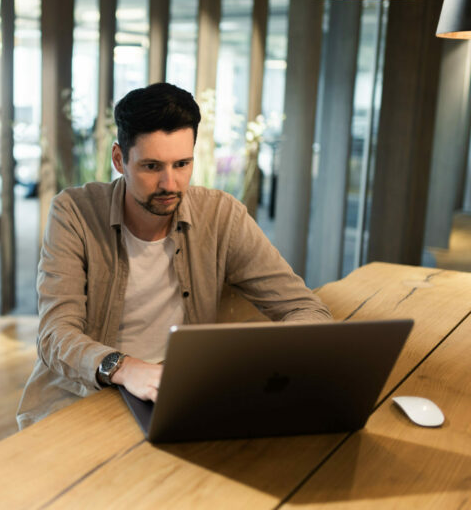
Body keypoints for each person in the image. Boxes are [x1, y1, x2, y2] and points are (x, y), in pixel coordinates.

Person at [16, 83, 331, 429]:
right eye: (151, 166)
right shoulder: (74, 212)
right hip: (85, 392)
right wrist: (125, 368)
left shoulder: (221, 216)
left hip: (181, 392)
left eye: (182, 164)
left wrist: (259, 364)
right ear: (119, 160)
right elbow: (55, 334)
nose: (170, 183)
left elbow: (307, 310)